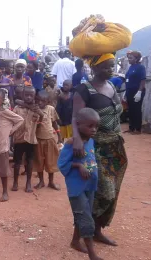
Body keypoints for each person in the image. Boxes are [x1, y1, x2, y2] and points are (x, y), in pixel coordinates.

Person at [72, 53, 127, 246]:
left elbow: (117, 113)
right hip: (95, 148)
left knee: (111, 193)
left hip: (114, 147)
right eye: (106, 67)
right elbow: (75, 117)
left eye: (112, 66)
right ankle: (78, 235)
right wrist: (77, 140)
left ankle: (96, 231)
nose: (110, 70)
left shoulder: (112, 86)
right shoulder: (84, 90)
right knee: (98, 193)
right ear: (94, 68)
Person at [58, 107, 102, 260]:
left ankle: (75, 241)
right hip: (77, 188)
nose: (94, 130)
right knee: (86, 219)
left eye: (96, 126)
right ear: (77, 124)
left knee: (82, 214)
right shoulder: (71, 143)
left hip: (89, 186)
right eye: (90, 126)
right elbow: (61, 164)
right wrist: (78, 166)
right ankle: (92, 254)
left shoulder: (90, 141)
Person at [12, 87, 43, 193]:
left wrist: (38, 112)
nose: (29, 97)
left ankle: (28, 183)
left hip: (31, 139)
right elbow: (13, 122)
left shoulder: (36, 109)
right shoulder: (17, 108)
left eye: (31, 95)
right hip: (18, 139)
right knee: (17, 162)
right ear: (22, 95)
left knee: (29, 161)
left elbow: (41, 119)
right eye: (26, 95)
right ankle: (15, 182)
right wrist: (12, 138)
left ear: (34, 96)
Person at [33, 91, 62, 190]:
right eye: (38, 100)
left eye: (43, 101)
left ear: (48, 101)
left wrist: (59, 134)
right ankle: (41, 181)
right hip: (38, 140)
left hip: (49, 139)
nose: (40, 103)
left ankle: (51, 182)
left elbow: (54, 122)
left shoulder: (51, 109)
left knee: (51, 161)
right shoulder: (34, 110)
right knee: (39, 161)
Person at [125, 50, 146, 134]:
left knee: (136, 109)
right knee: (130, 109)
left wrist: (139, 92)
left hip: (137, 91)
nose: (129, 59)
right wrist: (125, 92)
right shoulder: (131, 67)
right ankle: (131, 127)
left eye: (131, 58)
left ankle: (137, 129)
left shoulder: (140, 67)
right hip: (129, 91)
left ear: (136, 59)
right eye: (128, 58)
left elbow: (143, 80)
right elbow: (128, 79)